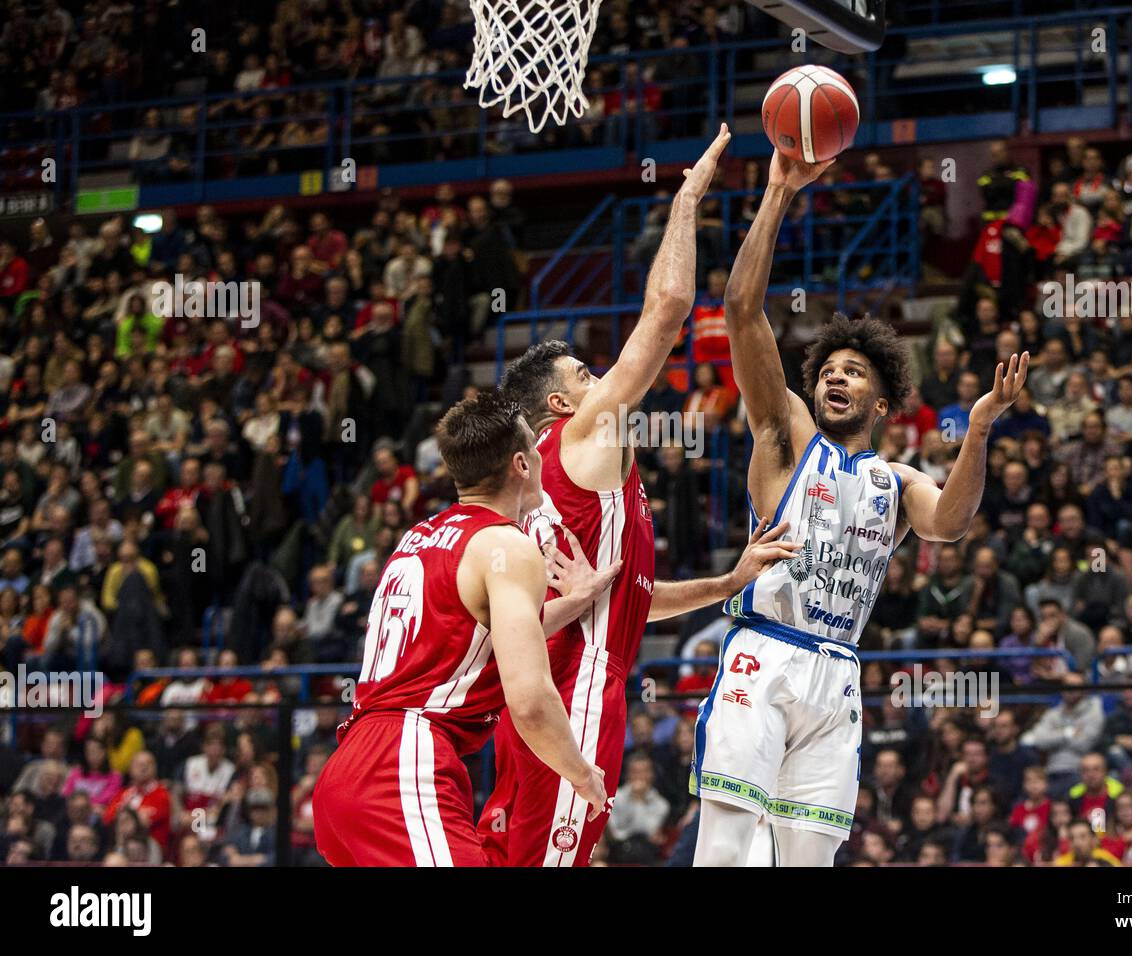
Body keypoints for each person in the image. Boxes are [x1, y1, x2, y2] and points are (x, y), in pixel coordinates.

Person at [691, 146, 1030, 868]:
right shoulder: (782, 433)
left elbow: (952, 524)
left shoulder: (897, 482)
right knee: (724, 852)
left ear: (881, 402)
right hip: (767, 650)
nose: (837, 376)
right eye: (831, 369)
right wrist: (780, 191)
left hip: (838, 670)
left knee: (809, 860)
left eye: (855, 372)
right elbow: (743, 310)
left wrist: (976, 429)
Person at [478, 127, 798, 868]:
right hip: (576, 697)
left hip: (535, 698)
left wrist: (723, 583)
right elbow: (667, 309)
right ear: (561, 405)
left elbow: (625, 597)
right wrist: (687, 197)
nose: (605, 383)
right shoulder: (588, 434)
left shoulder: (555, 485)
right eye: (587, 376)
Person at [311, 391, 607, 867]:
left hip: (347, 771)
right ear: (522, 465)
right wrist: (580, 774)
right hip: (402, 763)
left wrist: (572, 603)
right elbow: (530, 700)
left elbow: (479, 637)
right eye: (534, 446)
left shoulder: (419, 537)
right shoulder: (508, 546)